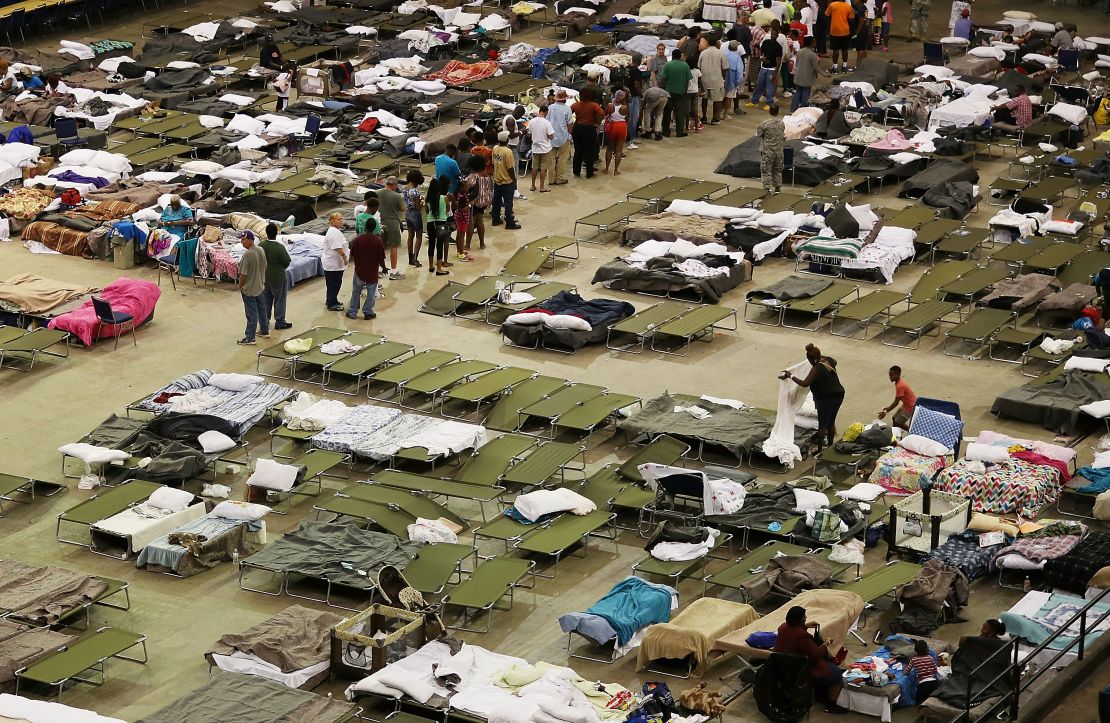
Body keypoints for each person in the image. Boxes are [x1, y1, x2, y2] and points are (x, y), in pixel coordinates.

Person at [773, 605, 850, 715]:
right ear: (799, 620)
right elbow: (816, 654)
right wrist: (826, 643)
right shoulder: (802, 636)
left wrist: (806, 626)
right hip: (801, 670)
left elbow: (793, 632)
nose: (805, 618)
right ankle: (831, 705)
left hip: (785, 667)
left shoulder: (783, 627)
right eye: (804, 617)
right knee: (836, 674)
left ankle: (819, 692)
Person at [780, 343, 844, 450]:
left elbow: (805, 383)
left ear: (812, 359)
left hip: (826, 398)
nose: (809, 362)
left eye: (809, 360)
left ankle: (819, 450)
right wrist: (819, 356)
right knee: (831, 422)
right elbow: (834, 361)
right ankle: (830, 446)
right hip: (839, 394)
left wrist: (790, 375)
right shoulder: (828, 361)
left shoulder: (816, 369)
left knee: (822, 425)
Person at [347, 218, 387, 320]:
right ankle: (368, 312)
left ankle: (352, 311)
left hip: (360, 270)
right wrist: (384, 268)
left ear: (365, 227)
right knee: (371, 293)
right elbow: (381, 258)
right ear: (375, 228)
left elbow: (353, 255)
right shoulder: (378, 241)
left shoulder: (358, 240)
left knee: (356, 291)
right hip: (372, 271)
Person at [258, 222, 292, 332]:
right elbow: (287, 262)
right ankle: (280, 322)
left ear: (266, 233)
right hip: (278, 277)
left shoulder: (261, 245)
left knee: (266, 300)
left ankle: (265, 321)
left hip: (264, 277)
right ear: (276, 233)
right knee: (280, 299)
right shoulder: (280, 247)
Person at [236, 230, 268, 346]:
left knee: (251, 314)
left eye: (243, 240)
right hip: (260, 286)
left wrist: (240, 286)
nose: (242, 242)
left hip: (249, 289)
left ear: (250, 239)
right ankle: (264, 331)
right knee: (262, 310)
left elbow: (243, 275)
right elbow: (265, 267)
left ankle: (250, 338)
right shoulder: (261, 250)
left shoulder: (247, 255)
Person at [570, 87, 604, 177]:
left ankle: (576, 171)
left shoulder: (575, 105)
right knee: (589, 151)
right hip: (589, 128)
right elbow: (601, 113)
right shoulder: (594, 105)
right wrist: (597, 123)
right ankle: (589, 173)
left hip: (577, 128)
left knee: (578, 151)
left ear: (580, 96)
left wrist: (569, 123)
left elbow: (568, 113)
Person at [377, 176, 406, 279]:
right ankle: (393, 272)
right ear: (394, 185)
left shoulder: (377, 192)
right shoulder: (397, 196)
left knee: (381, 248)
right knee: (394, 247)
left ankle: (379, 270)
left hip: (380, 223)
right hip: (393, 224)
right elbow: (403, 209)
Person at [491, 131, 520, 229]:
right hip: (507, 181)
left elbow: (493, 163)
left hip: (497, 180)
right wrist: (514, 180)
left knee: (496, 201)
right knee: (508, 203)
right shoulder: (508, 152)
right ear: (506, 140)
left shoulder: (495, 149)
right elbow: (510, 168)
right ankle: (510, 223)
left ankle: (495, 219)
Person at [748, 26, 783, 109]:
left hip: (772, 69)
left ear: (777, 36)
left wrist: (775, 72)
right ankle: (754, 101)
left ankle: (769, 103)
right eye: (772, 34)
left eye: (775, 35)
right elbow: (761, 50)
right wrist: (761, 57)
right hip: (763, 67)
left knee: (770, 87)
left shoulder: (778, 47)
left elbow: (778, 61)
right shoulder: (766, 42)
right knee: (759, 85)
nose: (773, 36)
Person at [660, 49, 693, 137]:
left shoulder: (668, 65)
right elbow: (687, 81)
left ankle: (666, 131)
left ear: (673, 56)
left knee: (667, 113)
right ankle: (679, 132)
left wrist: (662, 90)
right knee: (680, 114)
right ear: (680, 56)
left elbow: (664, 79)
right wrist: (685, 91)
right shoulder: (685, 65)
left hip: (669, 92)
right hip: (680, 92)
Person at [463, 155, 492, 253]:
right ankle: (482, 243)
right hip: (483, 202)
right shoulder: (487, 176)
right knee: (480, 221)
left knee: (471, 222)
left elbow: (466, 184)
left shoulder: (473, 177)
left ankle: (467, 244)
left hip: (474, 202)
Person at [698, 36, 729, 124]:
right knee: (717, 100)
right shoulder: (720, 53)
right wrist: (723, 78)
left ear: (707, 43)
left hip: (704, 80)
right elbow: (724, 68)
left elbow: (699, 66)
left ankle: (704, 117)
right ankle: (715, 118)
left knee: (704, 99)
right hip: (717, 80)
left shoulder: (703, 53)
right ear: (716, 44)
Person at [322, 212, 349, 311]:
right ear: (332, 221)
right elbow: (337, 247)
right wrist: (344, 257)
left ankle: (332, 299)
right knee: (334, 283)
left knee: (333, 283)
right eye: (338, 219)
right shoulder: (333, 232)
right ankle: (331, 303)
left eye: (341, 219)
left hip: (334, 263)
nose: (341, 221)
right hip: (333, 263)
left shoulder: (335, 231)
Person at [425, 175, 451, 275]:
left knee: (431, 244)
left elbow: (427, 212)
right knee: (439, 245)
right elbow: (448, 210)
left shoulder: (428, 199)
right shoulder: (444, 198)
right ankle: (439, 268)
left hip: (430, 223)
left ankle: (431, 266)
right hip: (441, 223)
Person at [876, 365, 917, 430]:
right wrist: (888, 408)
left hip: (910, 407)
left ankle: (911, 431)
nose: (890, 377)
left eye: (892, 375)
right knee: (894, 418)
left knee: (898, 423)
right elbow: (897, 400)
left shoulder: (900, 386)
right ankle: (895, 434)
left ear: (898, 375)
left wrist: (886, 412)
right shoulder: (899, 383)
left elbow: (896, 402)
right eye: (889, 375)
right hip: (907, 405)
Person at [756, 103, 785, 192]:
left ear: (769, 111)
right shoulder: (781, 123)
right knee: (777, 170)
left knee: (766, 171)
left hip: (767, 151)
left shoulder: (765, 124)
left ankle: (766, 189)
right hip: (779, 151)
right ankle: (777, 188)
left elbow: (759, 134)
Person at [547, 89, 574, 185]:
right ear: (565, 99)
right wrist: (570, 136)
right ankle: (559, 178)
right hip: (563, 137)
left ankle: (550, 179)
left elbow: (547, 122)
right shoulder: (567, 109)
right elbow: (569, 124)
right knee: (562, 159)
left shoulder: (550, 108)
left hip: (551, 137)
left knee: (551, 159)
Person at [791, 36, 825, 111]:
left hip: (798, 76)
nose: (815, 43)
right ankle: (803, 110)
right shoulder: (812, 54)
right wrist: (825, 74)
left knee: (797, 93)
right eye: (814, 42)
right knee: (805, 96)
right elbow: (817, 68)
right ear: (811, 43)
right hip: (806, 79)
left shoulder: (800, 51)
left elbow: (797, 63)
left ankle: (793, 110)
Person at [528, 105, 555, 191]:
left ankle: (532, 186)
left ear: (539, 111)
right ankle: (542, 187)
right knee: (543, 168)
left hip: (535, 148)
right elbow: (551, 136)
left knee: (534, 167)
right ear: (546, 112)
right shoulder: (547, 123)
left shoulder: (532, 121)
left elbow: (529, 134)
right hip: (545, 149)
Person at [402, 170, 424, 268]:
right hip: (416, 214)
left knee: (410, 235)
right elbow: (418, 207)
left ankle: (410, 258)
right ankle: (415, 258)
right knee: (419, 236)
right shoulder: (415, 192)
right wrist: (422, 202)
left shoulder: (404, 188)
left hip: (407, 213)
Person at [603, 90, 629, 175]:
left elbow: (605, 113)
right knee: (619, 150)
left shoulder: (610, 105)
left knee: (609, 149)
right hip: (622, 126)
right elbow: (627, 117)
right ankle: (616, 170)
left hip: (612, 125)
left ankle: (606, 169)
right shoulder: (625, 107)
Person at [825, 0, 855, 72]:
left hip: (834, 30)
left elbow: (826, 17)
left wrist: (828, 30)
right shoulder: (848, 7)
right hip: (845, 31)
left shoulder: (832, 5)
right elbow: (851, 21)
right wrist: (851, 32)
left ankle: (835, 68)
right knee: (845, 49)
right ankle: (844, 67)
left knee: (835, 49)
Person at [724, 41, 746, 117]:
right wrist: (737, 83)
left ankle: (720, 112)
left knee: (722, 97)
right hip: (732, 80)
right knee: (729, 97)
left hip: (722, 79)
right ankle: (725, 114)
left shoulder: (724, 55)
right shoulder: (737, 58)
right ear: (736, 48)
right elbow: (740, 72)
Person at [503, 105, 526, 170]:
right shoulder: (511, 120)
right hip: (511, 147)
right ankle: (514, 179)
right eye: (521, 115)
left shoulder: (507, 117)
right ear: (518, 113)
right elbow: (511, 135)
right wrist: (521, 132)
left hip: (510, 146)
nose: (520, 117)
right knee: (514, 167)